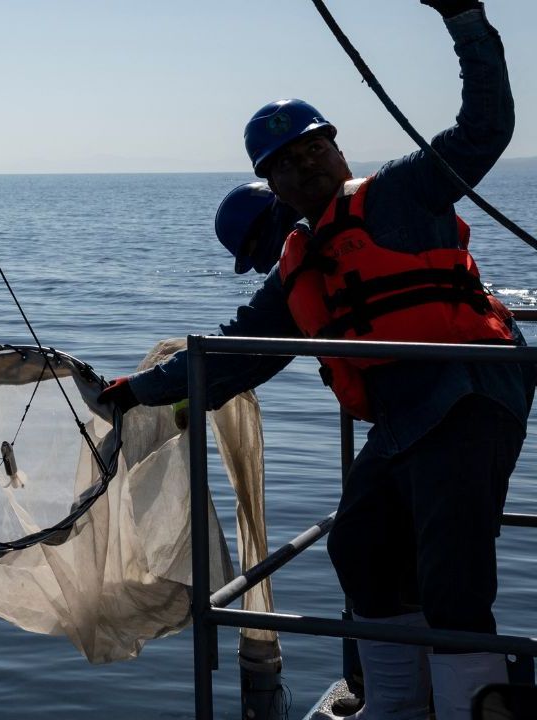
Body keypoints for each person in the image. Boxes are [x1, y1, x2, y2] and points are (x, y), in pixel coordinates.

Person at [101, 2, 536, 719]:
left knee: (452, 570)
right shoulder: (298, 269)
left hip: (469, 390)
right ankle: (397, 703)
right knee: (360, 546)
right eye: (285, 167)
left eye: (312, 152)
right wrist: (133, 392)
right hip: (403, 417)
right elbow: (235, 354)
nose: (304, 171)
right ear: (272, 188)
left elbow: (485, 127)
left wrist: (464, 20)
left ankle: (473, 707)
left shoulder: (400, 192)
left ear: (337, 148)